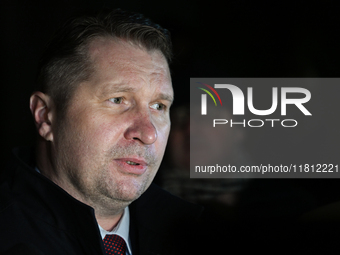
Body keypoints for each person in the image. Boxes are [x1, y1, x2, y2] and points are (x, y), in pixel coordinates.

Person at [0, 9, 203, 255]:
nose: (148, 133)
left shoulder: (199, 236)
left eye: (159, 106)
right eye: (118, 100)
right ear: (45, 116)